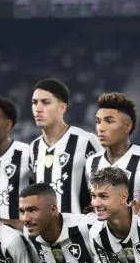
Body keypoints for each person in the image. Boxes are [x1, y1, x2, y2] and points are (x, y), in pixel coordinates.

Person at [29, 78, 100, 214]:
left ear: (62, 107)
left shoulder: (87, 141)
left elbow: (109, 185)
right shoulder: (34, 147)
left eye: (45, 102)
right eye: (34, 102)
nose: (38, 109)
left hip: (80, 231)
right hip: (46, 232)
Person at [86, 92, 140, 205]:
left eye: (109, 121)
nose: (101, 128)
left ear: (127, 126)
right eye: (98, 121)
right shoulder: (92, 161)